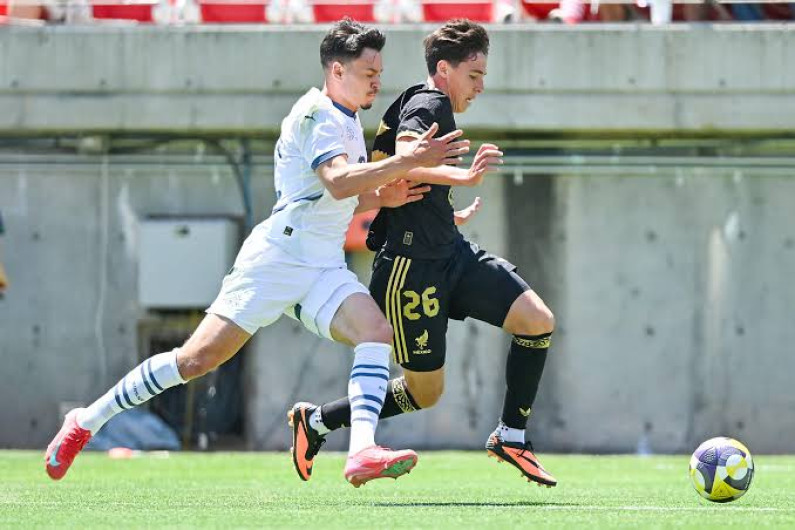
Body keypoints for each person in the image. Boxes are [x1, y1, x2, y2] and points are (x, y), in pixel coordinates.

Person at [44, 18, 468, 488]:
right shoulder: (315, 113)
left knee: (375, 331)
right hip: (277, 260)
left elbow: (343, 194)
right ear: (336, 70)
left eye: (379, 71)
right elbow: (336, 180)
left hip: (322, 264)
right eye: (368, 71)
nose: (376, 80)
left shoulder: (347, 119)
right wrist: (404, 162)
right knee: (195, 361)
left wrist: (385, 198)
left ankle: (361, 451)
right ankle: (86, 420)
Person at [289, 19, 558, 488]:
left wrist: (444, 214)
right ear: (444, 70)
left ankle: (511, 435)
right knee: (425, 392)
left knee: (536, 320)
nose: (479, 87)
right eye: (473, 76)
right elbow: (410, 152)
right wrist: (464, 177)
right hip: (410, 270)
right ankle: (317, 422)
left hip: (450, 253)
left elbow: (409, 179)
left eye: (483, 78)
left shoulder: (427, 103)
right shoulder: (428, 102)